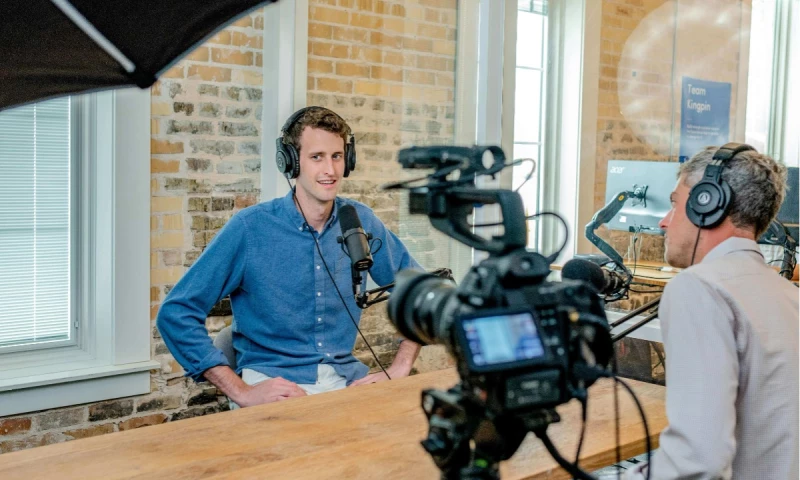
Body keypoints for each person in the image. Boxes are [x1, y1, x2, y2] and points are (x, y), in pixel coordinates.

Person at [157, 106, 423, 408]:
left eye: (337, 156)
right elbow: (175, 312)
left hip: (345, 381)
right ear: (291, 162)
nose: (330, 170)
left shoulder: (360, 222)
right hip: (272, 385)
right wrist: (241, 391)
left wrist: (400, 367)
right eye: (316, 157)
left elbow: (422, 295)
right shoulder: (250, 228)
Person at [625, 144, 798, 479]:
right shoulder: (789, 296)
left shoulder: (699, 287)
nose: (664, 222)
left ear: (708, 203)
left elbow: (697, 460)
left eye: (674, 204)